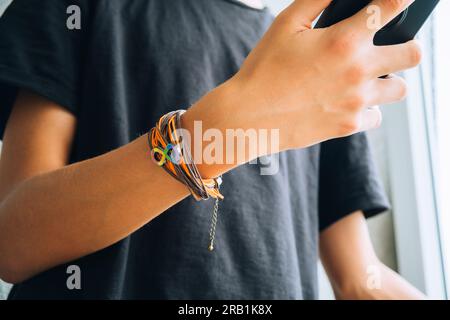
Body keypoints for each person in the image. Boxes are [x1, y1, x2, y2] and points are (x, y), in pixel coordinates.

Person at [0, 0, 425, 299]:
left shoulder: (322, 65)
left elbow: (359, 280)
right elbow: (13, 241)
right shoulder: (74, 8)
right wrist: (222, 129)